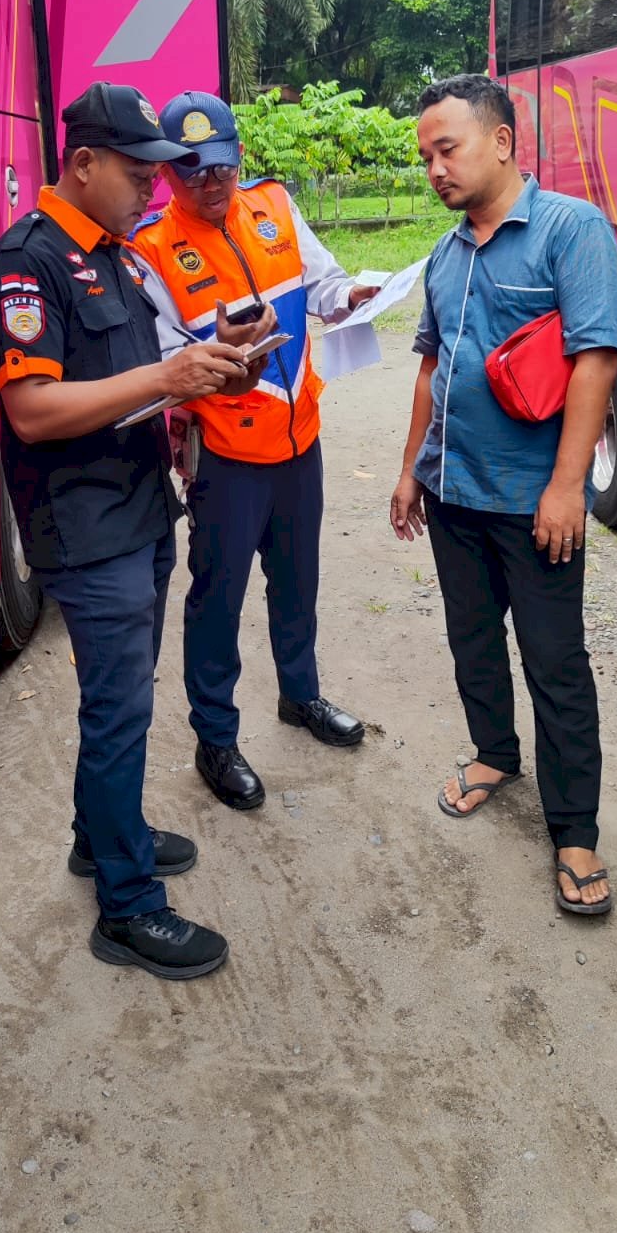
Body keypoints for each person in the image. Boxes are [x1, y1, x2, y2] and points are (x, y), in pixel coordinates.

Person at [0, 81, 262, 981]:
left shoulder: (119, 259)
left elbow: (136, 375)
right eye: (138, 173)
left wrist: (210, 367)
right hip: (87, 527)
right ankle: (127, 908)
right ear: (83, 163)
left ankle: (100, 837)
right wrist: (168, 380)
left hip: (139, 508)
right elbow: (33, 409)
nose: (152, 189)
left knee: (123, 696)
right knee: (119, 710)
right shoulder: (26, 266)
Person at [389, 74, 617, 914]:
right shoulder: (446, 254)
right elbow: (430, 366)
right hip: (453, 493)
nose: (435, 169)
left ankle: (575, 831)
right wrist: (410, 470)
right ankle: (495, 752)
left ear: (501, 141)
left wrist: (567, 487)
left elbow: (596, 359)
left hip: (534, 504)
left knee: (555, 662)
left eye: (446, 149)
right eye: (426, 157)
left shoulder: (570, 230)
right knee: (472, 639)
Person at [127, 90, 377, 811]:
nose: (211, 183)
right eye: (192, 170)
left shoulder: (273, 205)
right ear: (168, 172)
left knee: (297, 581)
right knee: (218, 600)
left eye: (222, 166)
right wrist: (218, 347)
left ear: (240, 156)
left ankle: (301, 695)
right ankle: (216, 737)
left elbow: (323, 282)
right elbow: (162, 358)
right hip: (227, 456)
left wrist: (351, 295)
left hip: (300, 439)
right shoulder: (151, 250)